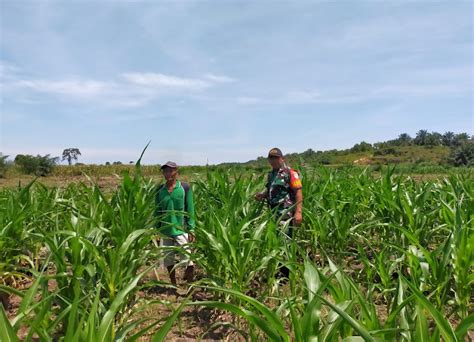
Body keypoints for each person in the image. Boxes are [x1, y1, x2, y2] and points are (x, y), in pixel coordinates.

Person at [255, 148, 303, 277]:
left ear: (282, 159)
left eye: (276, 158)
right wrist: (262, 195)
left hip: (285, 213)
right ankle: (281, 269)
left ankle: (286, 274)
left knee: (285, 241)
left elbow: (298, 192)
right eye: (271, 158)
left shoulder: (290, 173)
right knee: (277, 240)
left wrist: (298, 212)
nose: (273, 160)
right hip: (273, 213)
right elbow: (271, 191)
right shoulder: (271, 174)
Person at [155, 161, 195, 285]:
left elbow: (190, 209)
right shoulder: (159, 190)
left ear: (177, 172)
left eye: (171, 171)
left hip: (180, 229)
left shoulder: (184, 188)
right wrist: (156, 230)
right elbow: (157, 211)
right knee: (168, 260)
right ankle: (173, 284)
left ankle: (189, 285)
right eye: (166, 171)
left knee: (188, 260)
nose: (168, 173)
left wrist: (192, 228)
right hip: (165, 230)